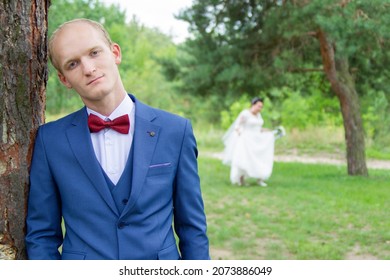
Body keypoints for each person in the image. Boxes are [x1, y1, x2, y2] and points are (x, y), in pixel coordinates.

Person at [25, 18, 210, 260]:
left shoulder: (176, 131)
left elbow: (192, 228)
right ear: (64, 80)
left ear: (115, 53)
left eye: (94, 53)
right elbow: (41, 235)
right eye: (73, 64)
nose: (89, 68)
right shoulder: (50, 140)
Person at [222, 97, 276, 187]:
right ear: (253, 105)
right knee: (245, 158)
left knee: (261, 157)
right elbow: (238, 125)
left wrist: (267, 131)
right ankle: (241, 179)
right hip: (247, 139)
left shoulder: (259, 115)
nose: (260, 109)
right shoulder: (245, 114)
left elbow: (258, 128)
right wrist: (239, 132)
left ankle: (260, 178)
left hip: (257, 139)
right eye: (258, 106)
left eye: (261, 107)